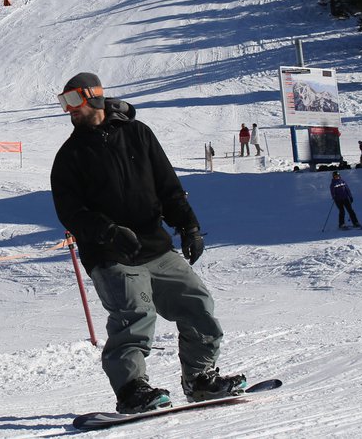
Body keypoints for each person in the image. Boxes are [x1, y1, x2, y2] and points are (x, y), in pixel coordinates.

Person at [51, 72, 245, 414]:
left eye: (72, 102)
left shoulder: (138, 134)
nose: (69, 111)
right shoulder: (70, 156)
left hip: (154, 244)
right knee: (135, 315)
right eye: (64, 104)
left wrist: (188, 225)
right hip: (109, 252)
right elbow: (70, 210)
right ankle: (131, 390)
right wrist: (107, 230)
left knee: (197, 304)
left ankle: (200, 379)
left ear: (93, 97)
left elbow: (167, 184)